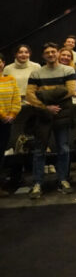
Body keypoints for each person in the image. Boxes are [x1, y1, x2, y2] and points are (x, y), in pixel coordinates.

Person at [26, 43, 76, 199]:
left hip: (62, 113)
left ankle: (63, 180)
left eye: (53, 51)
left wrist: (43, 95)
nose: (50, 54)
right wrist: (46, 107)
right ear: (43, 56)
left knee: (63, 149)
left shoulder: (68, 70)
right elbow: (30, 96)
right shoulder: (36, 73)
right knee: (39, 150)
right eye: (47, 52)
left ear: (58, 53)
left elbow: (70, 91)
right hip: (42, 115)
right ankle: (37, 183)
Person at [0, 53, 20, 196]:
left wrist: (12, 114)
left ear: (3, 63)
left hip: (7, 122)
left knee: (1, 153)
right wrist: (2, 115)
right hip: (2, 118)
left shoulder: (11, 79)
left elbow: (16, 98)